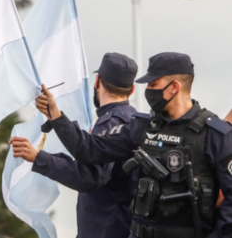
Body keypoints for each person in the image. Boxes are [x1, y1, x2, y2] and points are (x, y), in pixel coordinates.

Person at [36, 52, 232, 238]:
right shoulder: (141, 127)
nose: (148, 91)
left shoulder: (215, 135)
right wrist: (56, 115)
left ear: (174, 87)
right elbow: (90, 150)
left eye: (154, 84)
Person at [10, 53, 138, 238]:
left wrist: (38, 157)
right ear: (132, 89)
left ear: (97, 81)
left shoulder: (111, 122)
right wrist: (55, 115)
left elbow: (91, 176)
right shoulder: (130, 119)